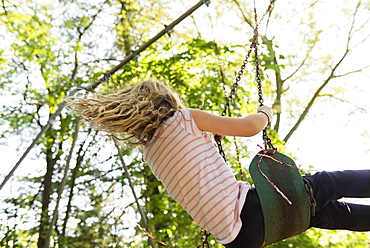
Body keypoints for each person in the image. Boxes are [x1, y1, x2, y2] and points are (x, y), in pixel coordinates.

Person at [67, 79, 370, 248]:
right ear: (167, 101)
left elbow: (195, 170)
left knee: (322, 212)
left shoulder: (152, 155)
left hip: (240, 240)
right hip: (251, 212)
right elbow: (250, 127)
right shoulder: (184, 119)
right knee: (328, 183)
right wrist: (265, 113)